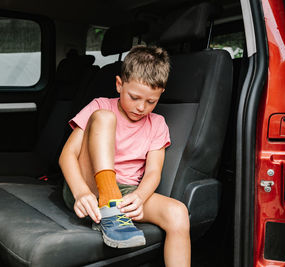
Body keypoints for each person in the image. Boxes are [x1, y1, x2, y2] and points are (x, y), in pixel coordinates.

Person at [59, 46, 190, 267]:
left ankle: (112, 208)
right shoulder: (100, 105)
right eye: (135, 97)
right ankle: (107, 201)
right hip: (88, 187)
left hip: (126, 194)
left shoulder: (157, 124)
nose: (141, 107)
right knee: (103, 117)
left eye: (151, 102)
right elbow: (67, 155)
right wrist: (81, 192)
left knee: (178, 213)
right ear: (119, 84)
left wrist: (140, 196)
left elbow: (153, 172)